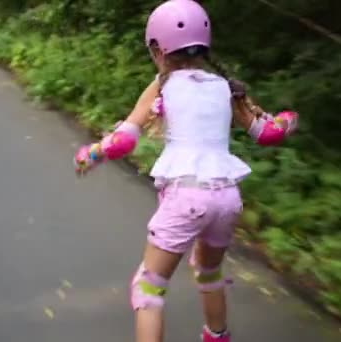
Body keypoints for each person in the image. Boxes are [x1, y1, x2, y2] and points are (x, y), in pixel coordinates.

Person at [73, 1, 298, 341]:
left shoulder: (162, 86)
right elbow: (268, 133)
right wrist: (287, 120)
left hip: (186, 196)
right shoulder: (225, 87)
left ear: (156, 49)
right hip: (227, 199)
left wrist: (91, 153)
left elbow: (122, 141)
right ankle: (217, 336)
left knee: (148, 288)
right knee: (209, 272)